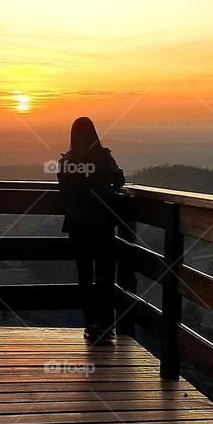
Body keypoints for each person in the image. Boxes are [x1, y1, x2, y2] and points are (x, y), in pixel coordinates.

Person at [56, 116, 125, 344]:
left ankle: (90, 326)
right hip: (103, 223)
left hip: (78, 226)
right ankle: (106, 325)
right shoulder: (104, 157)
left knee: (84, 276)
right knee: (105, 275)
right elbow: (119, 180)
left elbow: (63, 189)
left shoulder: (67, 161)